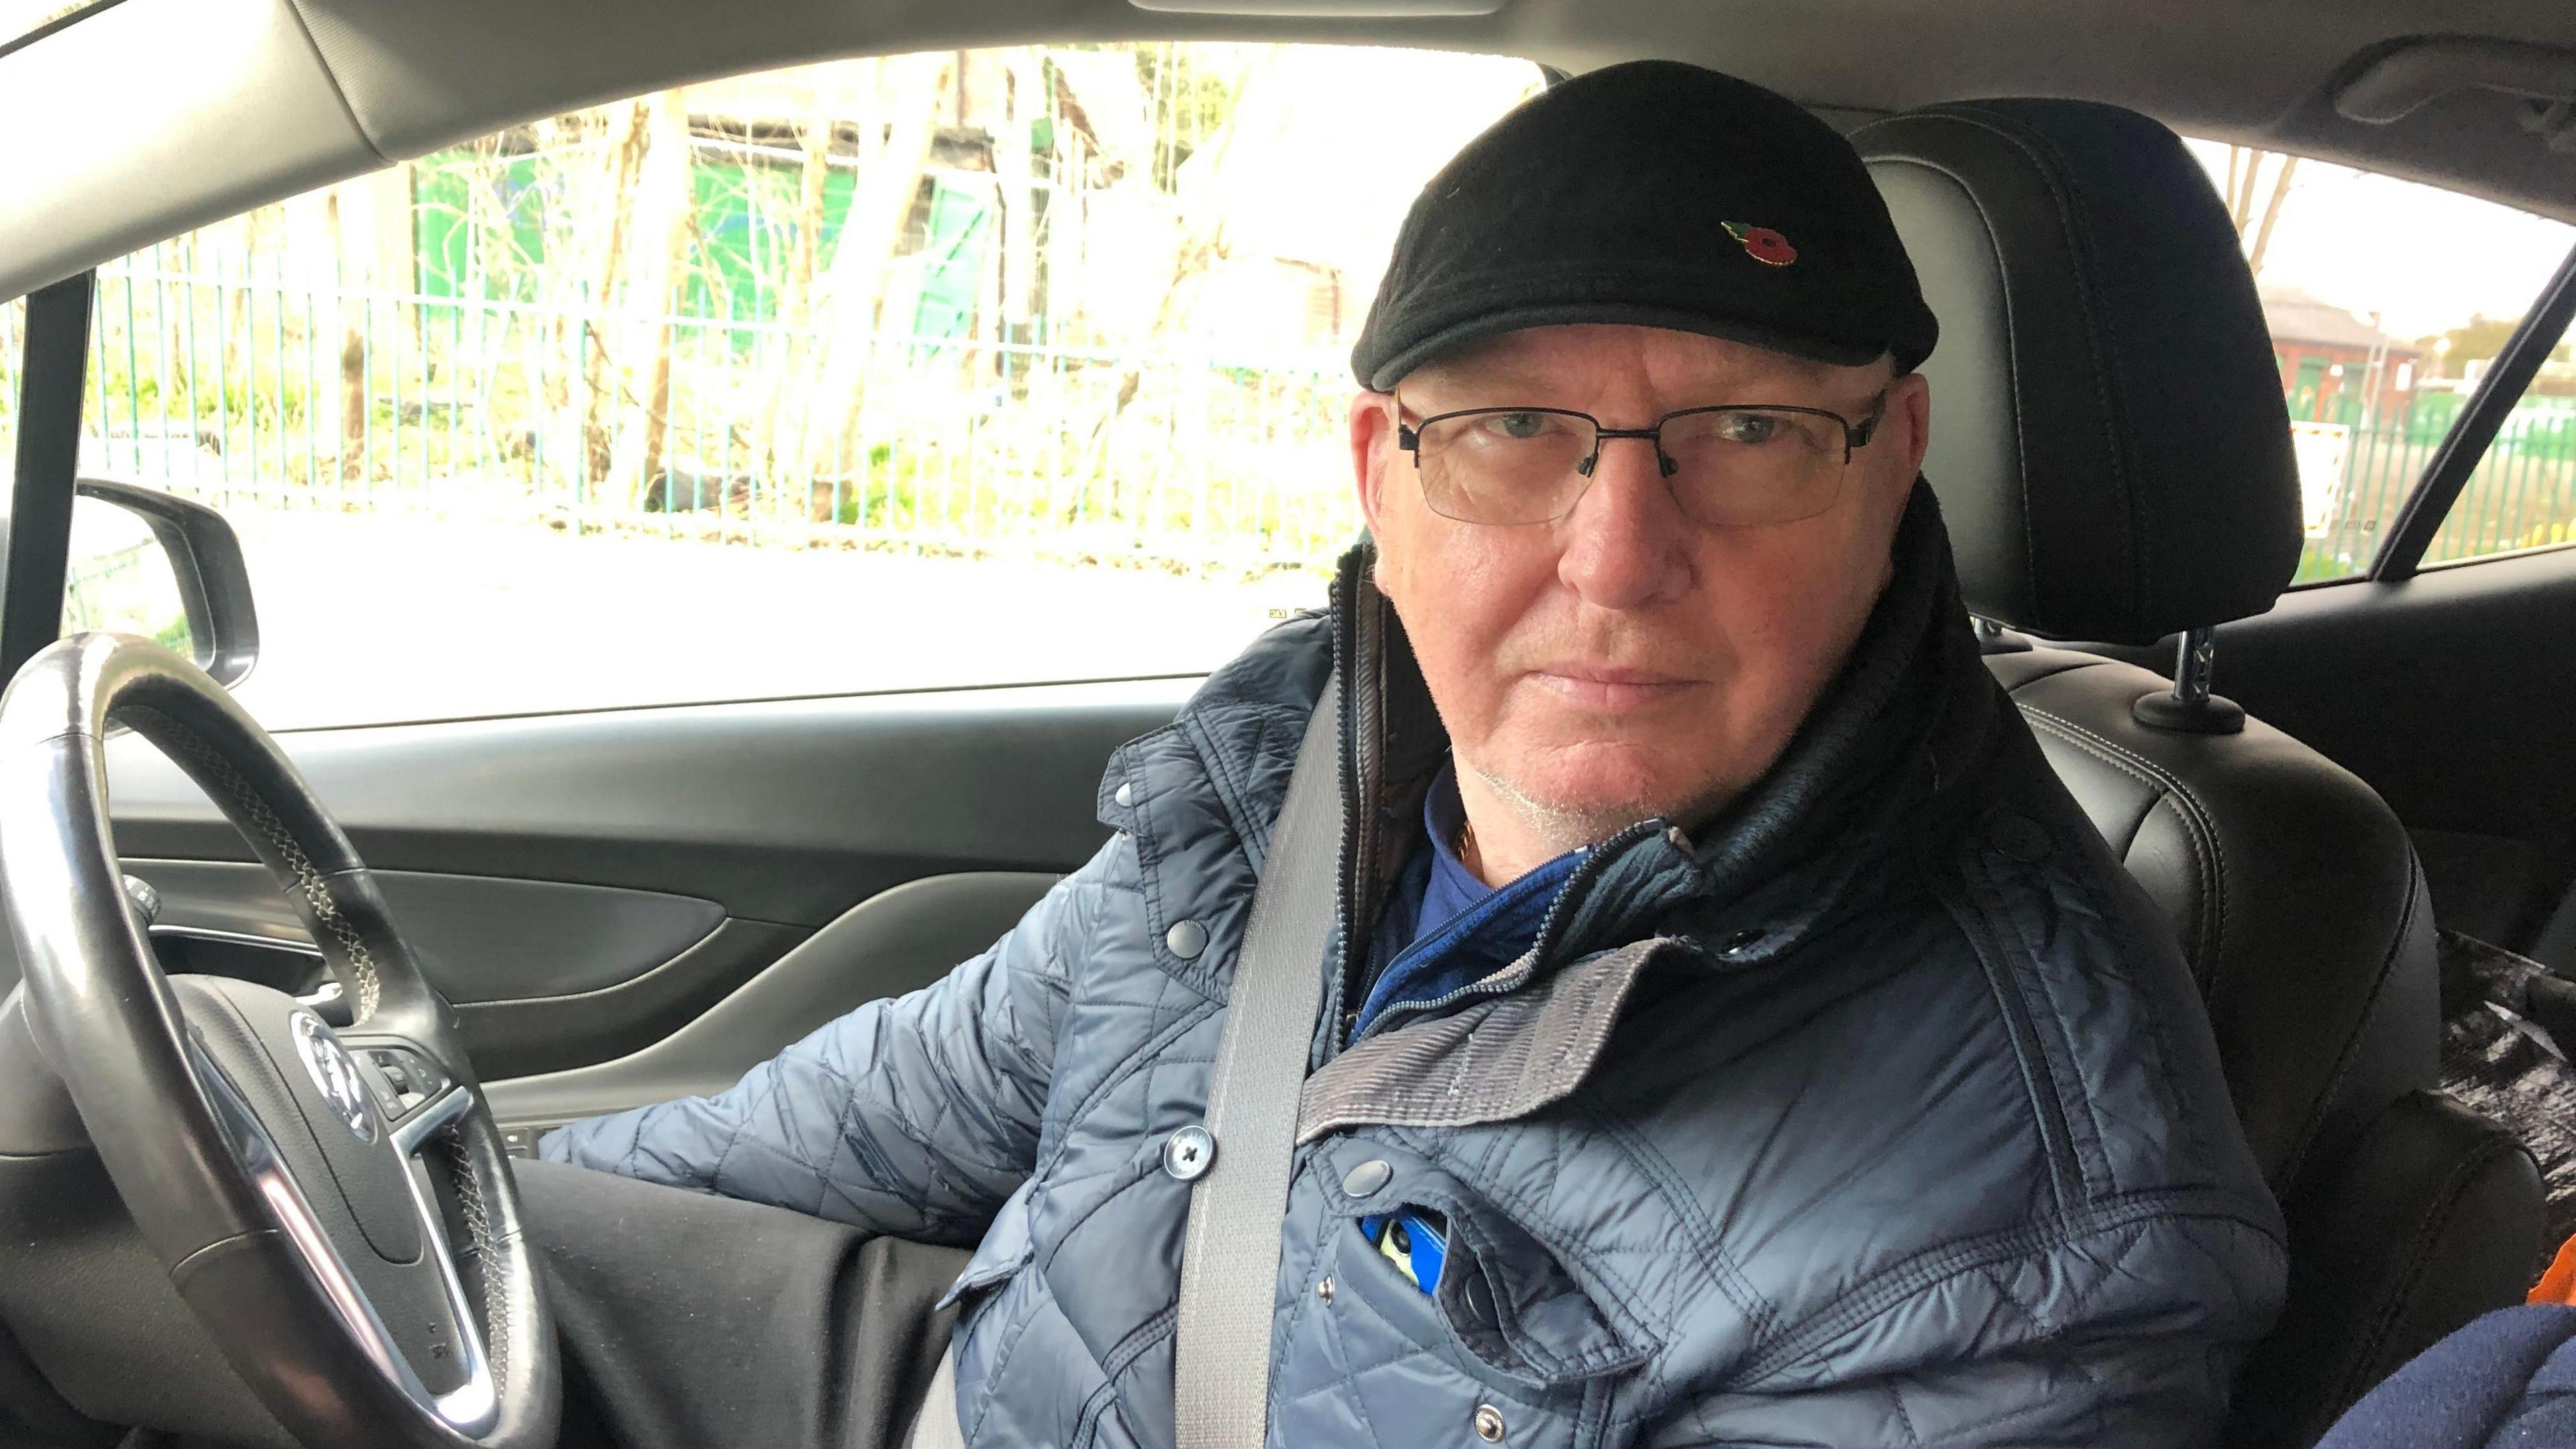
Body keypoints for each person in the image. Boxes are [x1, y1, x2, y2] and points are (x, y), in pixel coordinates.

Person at [527, 58, 2289, 1448]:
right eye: (1518, 429)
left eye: (1743, 430)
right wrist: (508, 1196)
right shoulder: (1310, 731)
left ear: (1892, 456)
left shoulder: (2036, 1250)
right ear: (1385, 469)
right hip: (974, 1377)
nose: (1613, 558)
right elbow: (957, 1078)